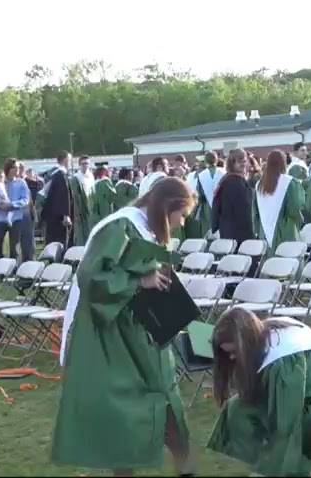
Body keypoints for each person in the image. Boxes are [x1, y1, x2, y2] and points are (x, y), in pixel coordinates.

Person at [52, 177, 195, 476]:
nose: (181, 223)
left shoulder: (145, 229)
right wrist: (139, 282)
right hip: (114, 336)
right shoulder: (119, 227)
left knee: (167, 402)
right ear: (167, 207)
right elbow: (92, 278)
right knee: (125, 414)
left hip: (144, 332)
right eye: (181, 215)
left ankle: (187, 469)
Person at [207, 309, 311, 477]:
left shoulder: (282, 357)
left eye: (234, 352)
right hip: (305, 401)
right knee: (238, 408)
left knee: (284, 433)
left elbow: (287, 420)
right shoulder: (264, 333)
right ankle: (261, 463)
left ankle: (283, 468)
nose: (231, 358)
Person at [254, 150, 305, 256]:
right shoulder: (290, 182)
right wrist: (300, 220)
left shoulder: (259, 185)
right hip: (286, 229)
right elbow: (295, 208)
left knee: (270, 265)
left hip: (264, 231)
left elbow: (255, 213)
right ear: (283, 163)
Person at [214, 149, 255, 245]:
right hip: (238, 230)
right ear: (232, 163)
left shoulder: (226, 180)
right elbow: (245, 208)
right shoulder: (234, 182)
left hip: (228, 228)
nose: (243, 164)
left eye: (244, 161)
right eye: (240, 161)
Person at [41, 152, 75, 247]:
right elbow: (63, 195)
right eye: (69, 160)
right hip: (58, 217)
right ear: (65, 160)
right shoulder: (61, 175)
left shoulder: (53, 174)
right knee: (60, 242)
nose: (70, 163)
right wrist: (65, 215)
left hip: (52, 215)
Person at [189, 152, 224, 240]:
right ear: (216, 160)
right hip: (222, 206)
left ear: (206, 161)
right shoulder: (224, 173)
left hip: (207, 208)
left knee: (207, 232)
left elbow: (199, 194)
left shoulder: (201, 175)